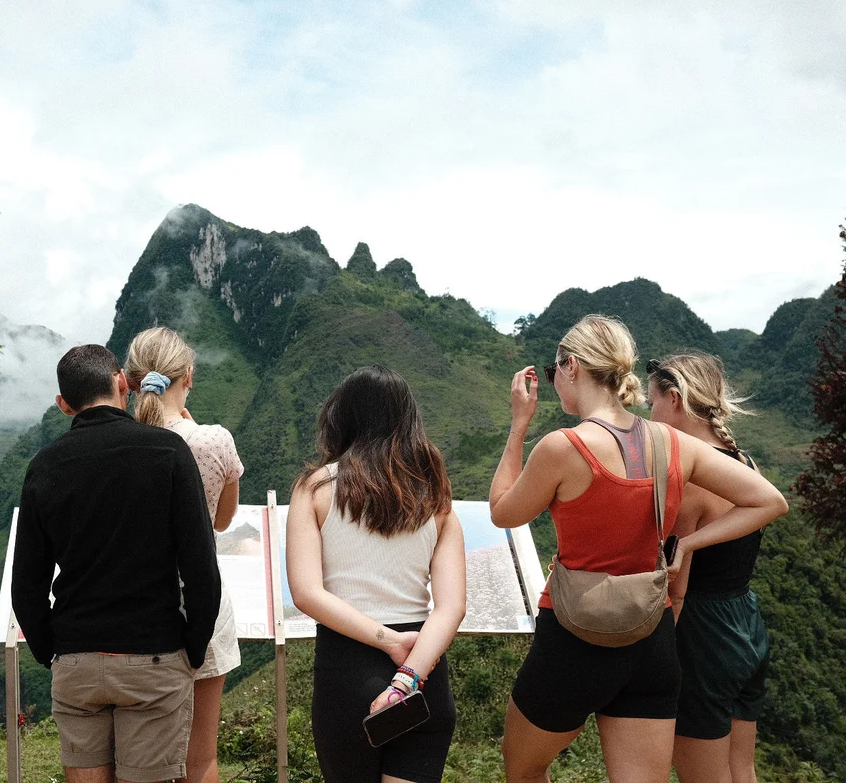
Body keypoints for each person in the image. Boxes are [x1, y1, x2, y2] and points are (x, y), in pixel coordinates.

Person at [489, 315, 788, 783]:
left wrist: (517, 425)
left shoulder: (561, 447)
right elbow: (769, 500)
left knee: (524, 769)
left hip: (573, 638)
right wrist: (687, 545)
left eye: (554, 372)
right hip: (652, 642)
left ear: (571, 367)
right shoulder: (671, 442)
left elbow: (503, 512)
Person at [11, 344, 221, 783]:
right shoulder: (167, 452)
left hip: (76, 659)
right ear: (122, 382)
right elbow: (200, 567)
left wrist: (53, 651)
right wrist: (194, 648)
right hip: (153, 656)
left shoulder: (44, 466)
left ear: (63, 404)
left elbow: (27, 583)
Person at [287, 365, 467, 783]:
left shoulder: (313, 490)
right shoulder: (435, 495)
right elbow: (452, 607)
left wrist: (388, 643)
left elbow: (307, 593)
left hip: (347, 671)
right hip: (424, 674)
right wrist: (408, 675)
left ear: (341, 416)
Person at [647, 352, 777, 783]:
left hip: (702, 636)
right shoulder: (744, 463)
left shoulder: (692, 478)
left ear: (676, 399)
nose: (651, 415)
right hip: (746, 623)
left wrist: (656, 659)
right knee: (742, 769)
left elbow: (677, 588)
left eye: (653, 403)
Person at [124, 327, 243, 783]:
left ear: (131, 382)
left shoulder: (117, 442)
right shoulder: (214, 441)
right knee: (200, 761)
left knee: (139, 762)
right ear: (187, 376)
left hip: (134, 608)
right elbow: (221, 520)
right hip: (201, 604)